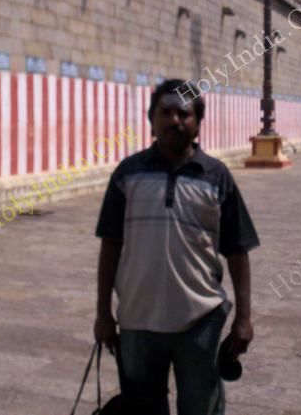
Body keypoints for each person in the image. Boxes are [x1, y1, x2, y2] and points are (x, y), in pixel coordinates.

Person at [94, 79, 260, 415]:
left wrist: (243, 318)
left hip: (200, 323)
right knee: (142, 410)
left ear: (198, 123)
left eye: (184, 113)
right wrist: (102, 315)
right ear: (151, 119)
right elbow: (110, 246)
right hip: (138, 322)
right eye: (165, 112)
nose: (174, 120)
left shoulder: (217, 177)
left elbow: (238, 251)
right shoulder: (128, 175)